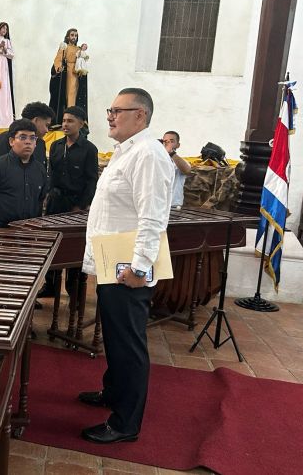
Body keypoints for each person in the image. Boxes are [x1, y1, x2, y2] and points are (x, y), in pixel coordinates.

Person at [79, 88, 173, 444]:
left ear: (141, 116)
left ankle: (125, 423)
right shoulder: (126, 152)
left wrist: (139, 266)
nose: (110, 116)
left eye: (118, 110)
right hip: (110, 261)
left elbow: (153, 217)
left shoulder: (148, 154)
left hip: (127, 267)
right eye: (110, 109)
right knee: (115, 338)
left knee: (128, 343)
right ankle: (114, 394)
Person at [41, 106, 98, 298]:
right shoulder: (56, 146)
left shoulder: (89, 149)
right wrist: (48, 194)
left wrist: (81, 206)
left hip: (77, 205)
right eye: (64, 120)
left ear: (81, 124)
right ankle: (50, 285)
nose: (65, 124)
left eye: (70, 121)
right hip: (55, 203)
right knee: (52, 244)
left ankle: (73, 288)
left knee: (74, 247)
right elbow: (51, 173)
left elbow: (91, 180)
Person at [0, 119, 48, 227]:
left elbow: (39, 200)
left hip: (29, 230)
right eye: (22, 137)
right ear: (11, 141)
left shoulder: (40, 169)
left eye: (32, 138)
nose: (28, 142)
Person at [0, 101, 55, 169]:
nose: (47, 131)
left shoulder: (40, 143)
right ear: (36, 120)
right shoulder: (3, 140)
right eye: (46, 125)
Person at [49, 28, 88, 122]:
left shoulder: (78, 49)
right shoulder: (64, 47)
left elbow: (83, 59)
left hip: (77, 73)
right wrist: (59, 67)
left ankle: (74, 116)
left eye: (75, 35)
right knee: (68, 94)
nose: (74, 37)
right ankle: (67, 116)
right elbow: (58, 59)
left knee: (75, 95)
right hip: (68, 73)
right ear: (68, 36)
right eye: (72, 35)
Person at [161, 130, 191, 208]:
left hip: (173, 205)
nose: (167, 143)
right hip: (158, 204)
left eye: (171, 141)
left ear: (178, 145)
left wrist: (171, 153)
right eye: (165, 141)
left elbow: (187, 170)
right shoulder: (157, 160)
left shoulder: (180, 161)